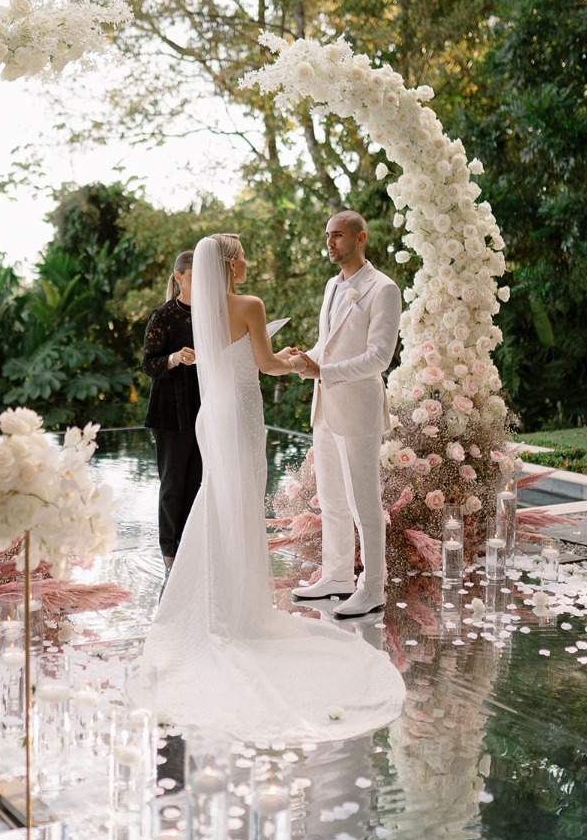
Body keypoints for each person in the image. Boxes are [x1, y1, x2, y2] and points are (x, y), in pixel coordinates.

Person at [138, 233, 405, 746]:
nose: (247, 263)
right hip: (239, 414)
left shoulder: (200, 310)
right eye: (243, 256)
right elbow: (264, 364)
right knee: (239, 506)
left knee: (217, 502)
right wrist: (297, 360)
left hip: (208, 416)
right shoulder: (249, 304)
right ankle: (238, 611)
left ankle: (213, 603)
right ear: (232, 264)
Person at [290, 210, 402, 618]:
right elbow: (328, 345)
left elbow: (379, 358)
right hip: (325, 407)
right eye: (326, 236)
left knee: (363, 502)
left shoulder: (383, 289)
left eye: (338, 235)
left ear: (361, 238)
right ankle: (337, 576)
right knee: (332, 500)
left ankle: (373, 587)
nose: (330, 243)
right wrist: (305, 361)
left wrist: (324, 370)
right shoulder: (331, 287)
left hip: (358, 410)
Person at [141, 250, 201, 578]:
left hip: (202, 407)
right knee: (172, 484)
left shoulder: (211, 314)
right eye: (193, 275)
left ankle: (190, 549)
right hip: (169, 410)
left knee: (196, 482)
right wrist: (175, 358)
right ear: (178, 278)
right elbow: (149, 362)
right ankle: (169, 556)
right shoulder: (162, 315)